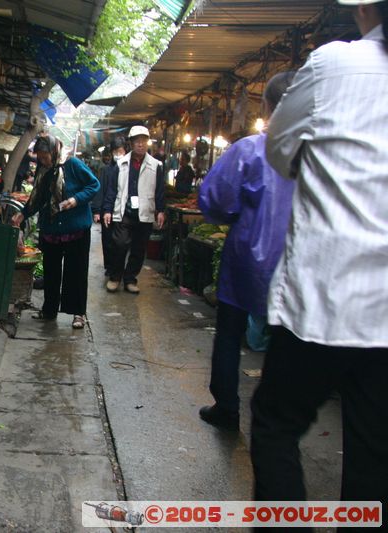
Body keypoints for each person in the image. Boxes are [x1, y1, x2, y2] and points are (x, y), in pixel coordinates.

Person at [252, 0, 388, 504]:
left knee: (276, 425)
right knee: (374, 453)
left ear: (365, 9)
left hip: (325, 300)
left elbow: (280, 149)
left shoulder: (334, 64)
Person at [196, 71, 297, 431]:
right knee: (285, 341)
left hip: (245, 257)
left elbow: (215, 200)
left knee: (229, 332)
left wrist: (234, 214)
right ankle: (277, 417)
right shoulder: (313, 155)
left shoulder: (249, 149)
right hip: (296, 260)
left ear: (265, 106)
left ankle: (227, 407)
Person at [11, 134, 99, 329]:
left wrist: (75, 200)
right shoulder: (44, 170)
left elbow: (94, 185)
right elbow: (38, 198)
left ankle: (78, 313)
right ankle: (49, 310)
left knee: (75, 273)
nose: (42, 161)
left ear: (54, 151)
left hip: (75, 228)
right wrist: (22, 214)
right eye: (40, 158)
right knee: (51, 272)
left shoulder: (73, 164)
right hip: (51, 229)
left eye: (45, 157)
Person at [101, 125, 165, 294]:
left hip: (145, 211)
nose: (141, 144)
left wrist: (160, 210)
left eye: (144, 141)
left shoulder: (155, 165)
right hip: (124, 211)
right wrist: (107, 210)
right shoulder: (120, 164)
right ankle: (115, 277)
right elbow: (112, 189)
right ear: (131, 143)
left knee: (139, 248)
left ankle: (130, 279)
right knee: (119, 244)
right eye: (137, 141)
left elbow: (160, 190)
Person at [92, 137, 126, 277]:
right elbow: (100, 190)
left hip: (121, 211)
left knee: (120, 242)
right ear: (112, 153)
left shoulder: (127, 169)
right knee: (107, 240)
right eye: (117, 151)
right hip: (107, 209)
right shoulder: (106, 170)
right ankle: (109, 266)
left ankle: (118, 267)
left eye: (122, 151)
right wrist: (97, 210)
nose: (119, 154)